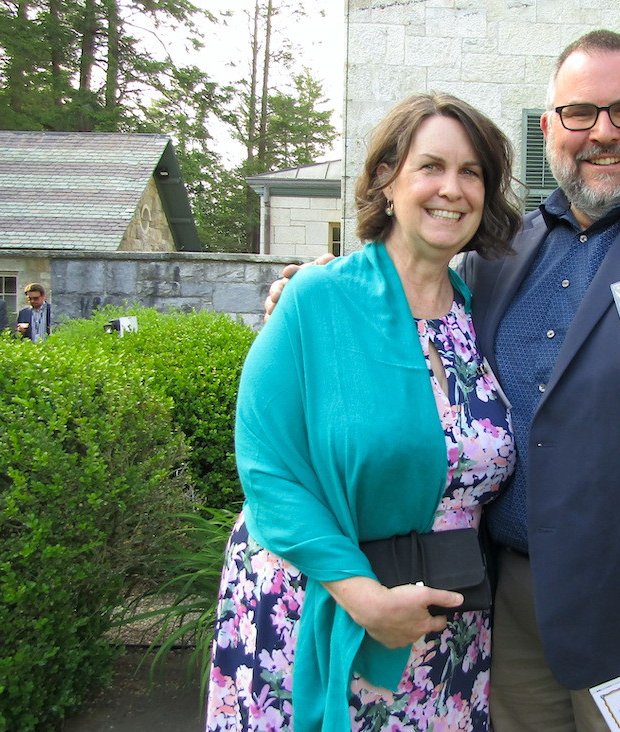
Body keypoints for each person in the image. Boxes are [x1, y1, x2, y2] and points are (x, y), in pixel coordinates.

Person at [268, 30, 620, 732]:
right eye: (579, 114)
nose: (603, 133)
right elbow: (414, 291)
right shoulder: (502, 253)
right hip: (509, 607)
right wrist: (318, 289)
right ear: (550, 129)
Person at [207, 92, 521, 732]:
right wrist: (366, 599)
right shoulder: (316, 298)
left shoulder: (480, 315)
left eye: (472, 173)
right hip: (325, 601)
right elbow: (268, 469)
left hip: (444, 631)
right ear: (386, 180)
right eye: (430, 166)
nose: (452, 189)